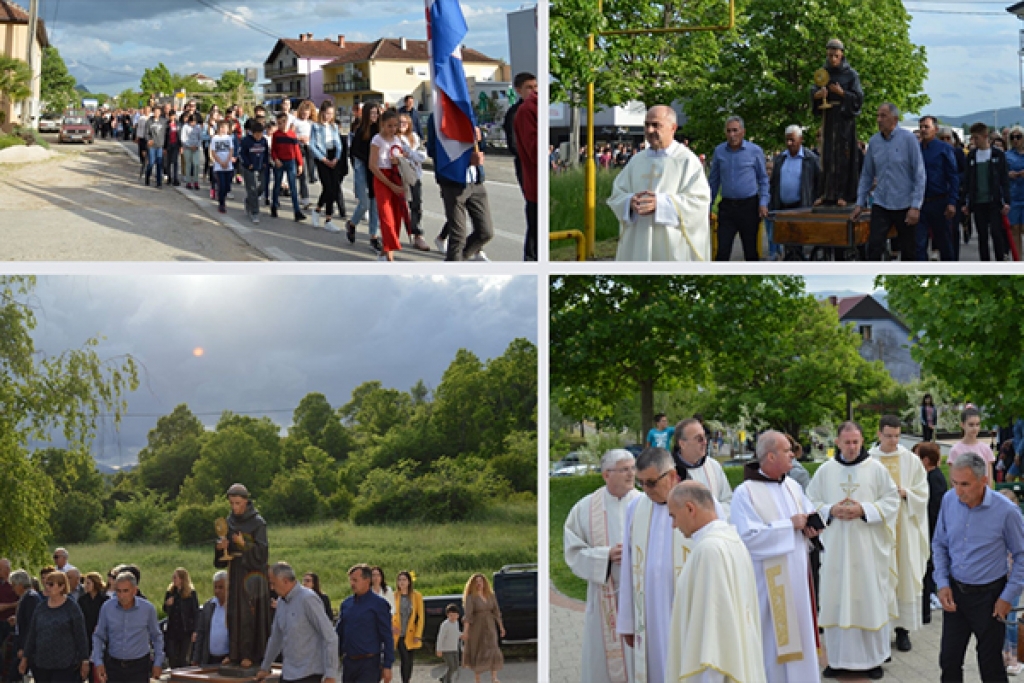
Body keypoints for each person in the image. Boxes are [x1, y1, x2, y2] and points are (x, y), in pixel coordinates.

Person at [806, 421, 900, 680]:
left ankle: (872, 660)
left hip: (867, 550)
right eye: (846, 442)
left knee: (868, 599)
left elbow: (892, 501)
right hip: (836, 550)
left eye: (856, 442)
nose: (851, 447)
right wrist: (830, 510)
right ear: (837, 442)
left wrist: (864, 510)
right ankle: (837, 660)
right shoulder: (825, 471)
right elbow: (810, 500)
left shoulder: (876, 470)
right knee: (836, 600)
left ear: (862, 441)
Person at [729, 431, 821, 682]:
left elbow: (806, 513)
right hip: (768, 587)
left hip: (798, 582)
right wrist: (788, 525)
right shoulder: (745, 493)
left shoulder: (792, 485)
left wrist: (812, 527)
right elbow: (746, 538)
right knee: (772, 647)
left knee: (800, 639)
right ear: (770, 456)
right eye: (787, 450)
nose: (793, 454)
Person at [933, 452, 1024, 683]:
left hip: (991, 598)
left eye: (965, 484)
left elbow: (1022, 555)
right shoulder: (948, 500)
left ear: (984, 481)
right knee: (949, 660)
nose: (958, 490)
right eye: (954, 483)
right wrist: (942, 583)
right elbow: (940, 543)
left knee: (991, 664)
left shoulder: (1006, 511)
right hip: (955, 593)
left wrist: (1008, 596)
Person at [666, 482, 767, 683]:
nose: (674, 525)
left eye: (673, 516)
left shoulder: (709, 550)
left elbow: (712, 633)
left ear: (689, 509)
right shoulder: (732, 540)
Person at [563, 449, 641, 683]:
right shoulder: (585, 508)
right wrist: (605, 556)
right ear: (606, 474)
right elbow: (573, 551)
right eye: (624, 469)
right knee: (602, 661)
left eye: (632, 468)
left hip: (639, 595)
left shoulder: (645, 503)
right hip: (604, 596)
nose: (631, 474)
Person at [617, 447, 687, 683]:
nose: (645, 490)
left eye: (651, 483)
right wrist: (627, 620)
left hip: (685, 609)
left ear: (672, 476)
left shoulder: (697, 503)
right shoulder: (635, 509)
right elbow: (628, 567)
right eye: (641, 483)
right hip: (647, 613)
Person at [607, 105, 712, 261]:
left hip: (672, 245)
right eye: (647, 124)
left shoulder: (687, 161)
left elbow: (699, 202)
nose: (649, 130)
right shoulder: (636, 161)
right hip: (639, 242)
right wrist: (629, 202)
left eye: (656, 125)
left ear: (673, 128)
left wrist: (660, 204)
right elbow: (617, 194)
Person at [867, 415, 931, 653]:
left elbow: (923, 492)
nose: (893, 441)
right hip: (879, 530)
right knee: (881, 578)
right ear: (879, 434)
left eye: (896, 436)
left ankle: (902, 631)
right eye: (888, 436)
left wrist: (907, 493)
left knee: (903, 575)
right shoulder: (869, 461)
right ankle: (881, 631)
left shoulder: (911, 460)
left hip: (904, 529)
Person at [851, 103, 926, 261]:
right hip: (881, 203)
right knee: (874, 247)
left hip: (904, 204)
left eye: (883, 116)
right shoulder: (874, 142)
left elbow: (919, 174)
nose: (879, 120)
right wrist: (859, 203)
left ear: (895, 119)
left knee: (909, 251)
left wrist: (915, 206)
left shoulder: (908, 139)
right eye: (878, 116)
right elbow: (866, 175)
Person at [214, 483, 271, 669]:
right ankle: (234, 652)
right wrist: (221, 548)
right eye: (231, 503)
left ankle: (250, 654)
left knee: (248, 613)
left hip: (253, 575)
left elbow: (262, 554)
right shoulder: (230, 521)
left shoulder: (258, 522)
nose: (234, 507)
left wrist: (243, 543)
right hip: (235, 571)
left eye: (237, 503)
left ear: (246, 501)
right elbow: (222, 558)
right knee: (233, 613)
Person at [425, 112, 494, 262]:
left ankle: (455, 262)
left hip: (476, 181)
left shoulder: (468, 112)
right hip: (453, 183)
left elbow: (480, 147)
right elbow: (433, 150)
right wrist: (465, 160)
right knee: (458, 237)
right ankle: (455, 264)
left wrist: (480, 139)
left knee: (485, 232)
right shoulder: (437, 116)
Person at [255, 563, 338, 683]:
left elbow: (330, 637)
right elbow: (275, 639)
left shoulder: (308, 599)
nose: (272, 588)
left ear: (285, 581)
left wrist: (331, 674)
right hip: (288, 673)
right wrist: (265, 667)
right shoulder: (281, 603)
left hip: (309, 673)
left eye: (273, 583)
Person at [708, 116, 770, 261]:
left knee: (751, 252)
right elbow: (714, 182)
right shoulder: (719, 151)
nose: (732, 135)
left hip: (749, 207)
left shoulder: (754, 151)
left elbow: (763, 179)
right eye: (729, 131)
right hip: (727, 208)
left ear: (743, 132)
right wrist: (708, 207)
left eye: (735, 130)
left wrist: (763, 203)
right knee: (722, 252)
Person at [812, 38, 864, 205]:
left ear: (841, 55)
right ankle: (826, 193)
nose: (833, 59)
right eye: (830, 55)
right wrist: (816, 96)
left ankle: (844, 194)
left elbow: (858, 98)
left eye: (836, 55)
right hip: (828, 117)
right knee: (826, 155)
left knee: (843, 156)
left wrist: (843, 94)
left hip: (844, 120)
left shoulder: (851, 74)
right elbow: (814, 88)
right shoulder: (823, 72)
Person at [91, 572, 163, 683]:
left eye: (126, 591)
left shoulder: (147, 609)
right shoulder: (107, 607)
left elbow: (156, 636)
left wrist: (158, 662)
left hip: (139, 666)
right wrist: (98, 661)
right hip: (114, 666)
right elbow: (99, 636)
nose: (121, 595)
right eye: (118, 591)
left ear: (134, 590)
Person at [19, 571, 89, 683]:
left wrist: (85, 660)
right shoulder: (40, 607)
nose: (47, 587)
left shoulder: (71, 608)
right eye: (46, 583)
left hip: (65, 664)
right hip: (42, 663)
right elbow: (32, 634)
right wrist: (25, 658)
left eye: (51, 584)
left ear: (62, 587)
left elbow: (80, 635)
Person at [335, 564, 394, 683]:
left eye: (355, 580)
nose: (352, 583)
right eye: (351, 580)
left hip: (369, 663)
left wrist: (387, 665)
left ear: (367, 580)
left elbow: (387, 636)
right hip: (349, 663)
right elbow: (339, 633)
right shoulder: (347, 604)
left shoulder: (379, 604)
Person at [963, 121, 1011, 261]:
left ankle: (1000, 261)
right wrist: (965, 201)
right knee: (982, 236)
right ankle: (985, 263)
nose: (974, 141)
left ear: (985, 137)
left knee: (996, 234)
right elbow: (967, 180)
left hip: (994, 201)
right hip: (978, 202)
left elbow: (1004, 180)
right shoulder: (972, 156)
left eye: (976, 138)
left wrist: (1006, 201)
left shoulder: (998, 155)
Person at [671, 418, 733, 518]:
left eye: (705, 437)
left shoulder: (713, 466)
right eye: (699, 439)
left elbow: (728, 501)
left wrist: (710, 515)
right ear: (682, 444)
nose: (705, 442)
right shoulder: (669, 470)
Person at [917, 115, 960, 261]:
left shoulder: (944, 149)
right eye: (921, 127)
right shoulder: (915, 149)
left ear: (935, 129)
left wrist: (952, 202)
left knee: (945, 244)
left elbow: (953, 176)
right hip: (920, 203)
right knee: (919, 244)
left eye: (926, 127)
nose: (923, 130)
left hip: (939, 202)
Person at [369, 109, 408, 262]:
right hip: (381, 178)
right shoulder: (377, 140)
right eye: (389, 126)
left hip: (395, 175)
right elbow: (372, 165)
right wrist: (390, 185)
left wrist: (398, 160)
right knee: (386, 216)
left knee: (397, 215)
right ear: (382, 125)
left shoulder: (397, 140)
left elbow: (401, 159)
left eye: (395, 126)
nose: (393, 129)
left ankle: (386, 251)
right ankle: (389, 252)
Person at [915, 442, 947, 623]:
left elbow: (933, 509)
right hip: (931, 530)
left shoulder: (932, 479)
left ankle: (925, 612)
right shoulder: (934, 477)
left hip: (931, 531)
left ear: (925, 460)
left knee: (927, 572)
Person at [309, 101, 348, 234]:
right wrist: (323, 159)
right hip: (322, 157)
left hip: (333, 156)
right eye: (327, 113)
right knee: (328, 187)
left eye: (331, 114)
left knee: (334, 188)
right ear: (322, 113)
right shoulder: (315, 126)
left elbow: (339, 144)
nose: (329, 116)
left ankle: (327, 218)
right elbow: (312, 145)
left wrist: (336, 157)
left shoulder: (334, 127)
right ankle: (318, 211)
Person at [347, 102, 382, 251]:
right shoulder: (361, 131)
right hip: (363, 169)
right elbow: (354, 153)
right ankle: (352, 223)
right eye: (372, 113)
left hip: (376, 170)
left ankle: (373, 237)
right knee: (365, 204)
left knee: (375, 206)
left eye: (377, 113)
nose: (375, 116)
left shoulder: (380, 130)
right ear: (366, 114)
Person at [395, 113, 430, 251]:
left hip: (414, 175)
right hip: (399, 176)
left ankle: (417, 235)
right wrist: (410, 155)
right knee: (398, 206)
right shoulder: (394, 138)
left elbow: (422, 156)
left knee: (416, 204)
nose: (402, 124)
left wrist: (409, 154)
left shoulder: (414, 137)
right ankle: (393, 234)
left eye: (405, 122)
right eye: (399, 122)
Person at [461, 573, 504, 683]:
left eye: (481, 581)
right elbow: (468, 616)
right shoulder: (471, 597)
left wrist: (501, 626)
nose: (479, 583)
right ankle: (477, 679)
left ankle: (494, 678)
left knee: (493, 648)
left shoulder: (491, 595)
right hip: (477, 626)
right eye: (476, 582)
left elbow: (496, 611)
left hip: (490, 625)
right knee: (478, 650)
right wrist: (465, 632)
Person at [513, 86, 539, 261]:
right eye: (529, 87)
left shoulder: (533, 107)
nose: (533, 90)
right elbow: (532, 150)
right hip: (534, 185)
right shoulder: (526, 110)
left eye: (535, 86)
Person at [270, 112, 308, 223]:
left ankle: (297, 211)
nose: (280, 125)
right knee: (277, 185)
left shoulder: (292, 135)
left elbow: (297, 150)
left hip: (291, 162)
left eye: (282, 123)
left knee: (293, 187)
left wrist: (300, 164)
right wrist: (276, 159)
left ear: (286, 122)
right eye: (278, 123)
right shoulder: (276, 135)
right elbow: (273, 150)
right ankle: (274, 205)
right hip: (280, 162)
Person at [163, 568, 199, 669]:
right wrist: (168, 604)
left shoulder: (191, 594)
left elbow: (195, 612)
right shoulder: (170, 592)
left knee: (183, 658)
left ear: (182, 579)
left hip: (185, 630)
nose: (173, 579)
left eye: (175, 577)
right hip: (172, 630)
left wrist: (195, 630)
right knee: (172, 655)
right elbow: (165, 609)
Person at [9, 570, 41, 683]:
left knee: (16, 675)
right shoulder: (26, 597)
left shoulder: (30, 598)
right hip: (22, 643)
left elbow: (31, 625)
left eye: (14, 586)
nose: (13, 589)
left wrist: (24, 648)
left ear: (20, 585)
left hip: (27, 645)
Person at [948, 406, 995, 483]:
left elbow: (989, 478)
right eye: (971, 425)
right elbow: (952, 479)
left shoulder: (985, 448)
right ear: (962, 425)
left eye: (977, 424)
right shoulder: (955, 450)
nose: (975, 428)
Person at [191, 571, 229, 666]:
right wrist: (196, 658)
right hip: (209, 659)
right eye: (215, 587)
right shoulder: (208, 606)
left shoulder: (235, 608)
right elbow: (201, 633)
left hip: (227, 660)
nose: (217, 591)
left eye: (221, 587)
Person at [391, 571, 424, 683]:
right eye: (399, 580)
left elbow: (420, 617)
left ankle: (407, 679)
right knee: (404, 659)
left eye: (404, 580)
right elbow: (388, 614)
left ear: (409, 582)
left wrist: (418, 634)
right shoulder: (394, 596)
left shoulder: (416, 596)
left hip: (411, 633)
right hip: (398, 633)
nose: (402, 582)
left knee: (410, 660)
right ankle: (405, 680)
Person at [238, 120, 270, 224]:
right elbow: (242, 154)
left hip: (261, 167)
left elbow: (266, 153)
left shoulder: (264, 141)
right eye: (257, 134)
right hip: (249, 168)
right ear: (252, 132)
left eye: (260, 134)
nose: (258, 136)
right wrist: (248, 164)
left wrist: (265, 162)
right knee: (252, 189)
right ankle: (255, 212)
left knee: (262, 187)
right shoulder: (246, 141)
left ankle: (249, 201)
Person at [294, 101, 318, 210]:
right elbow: (291, 134)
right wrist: (299, 138)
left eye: (307, 112)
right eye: (303, 112)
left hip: (310, 148)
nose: (305, 114)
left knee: (310, 171)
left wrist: (310, 139)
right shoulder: (296, 122)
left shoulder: (312, 123)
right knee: (302, 173)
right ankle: (305, 198)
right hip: (299, 148)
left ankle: (302, 193)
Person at [210, 120, 236, 215]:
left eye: (225, 127)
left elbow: (231, 150)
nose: (223, 129)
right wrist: (220, 162)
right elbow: (213, 152)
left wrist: (227, 161)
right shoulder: (215, 138)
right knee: (222, 185)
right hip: (218, 167)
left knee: (227, 186)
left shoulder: (229, 138)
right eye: (221, 127)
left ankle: (222, 196)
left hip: (228, 166)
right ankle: (222, 203)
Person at [435, 605, 461, 683]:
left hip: (454, 648)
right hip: (446, 649)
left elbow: (456, 633)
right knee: (451, 666)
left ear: (458, 615)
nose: (453, 617)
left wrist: (461, 635)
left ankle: (444, 677)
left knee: (456, 666)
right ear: (447, 615)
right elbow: (440, 638)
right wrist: (439, 649)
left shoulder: (456, 623)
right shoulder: (445, 625)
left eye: (454, 615)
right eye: (451, 615)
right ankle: (448, 680)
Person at [145, 109, 168, 189]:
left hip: (160, 145)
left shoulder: (164, 121)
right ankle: (147, 176)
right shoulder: (149, 121)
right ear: (153, 112)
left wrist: (165, 146)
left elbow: (166, 133)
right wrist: (148, 140)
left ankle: (159, 182)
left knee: (159, 163)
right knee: (151, 163)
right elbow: (146, 133)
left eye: (158, 112)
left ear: (160, 113)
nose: (157, 113)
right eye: (155, 112)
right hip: (152, 145)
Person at [182, 114, 203, 191]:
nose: (193, 123)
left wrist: (197, 146)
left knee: (196, 164)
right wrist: (189, 146)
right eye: (192, 122)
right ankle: (188, 181)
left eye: (194, 122)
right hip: (187, 148)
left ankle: (196, 181)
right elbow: (183, 138)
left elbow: (200, 138)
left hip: (196, 148)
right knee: (188, 164)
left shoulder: (198, 127)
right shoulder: (185, 127)